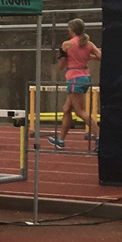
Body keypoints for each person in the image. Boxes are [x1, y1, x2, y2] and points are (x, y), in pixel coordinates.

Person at [50, 18, 101, 149]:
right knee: (66, 109)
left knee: (80, 111)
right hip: (85, 76)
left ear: (72, 30)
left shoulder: (67, 44)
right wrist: (89, 57)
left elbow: (61, 66)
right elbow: (100, 56)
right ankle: (60, 140)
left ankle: (99, 136)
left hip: (74, 78)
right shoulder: (88, 43)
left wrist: (61, 57)